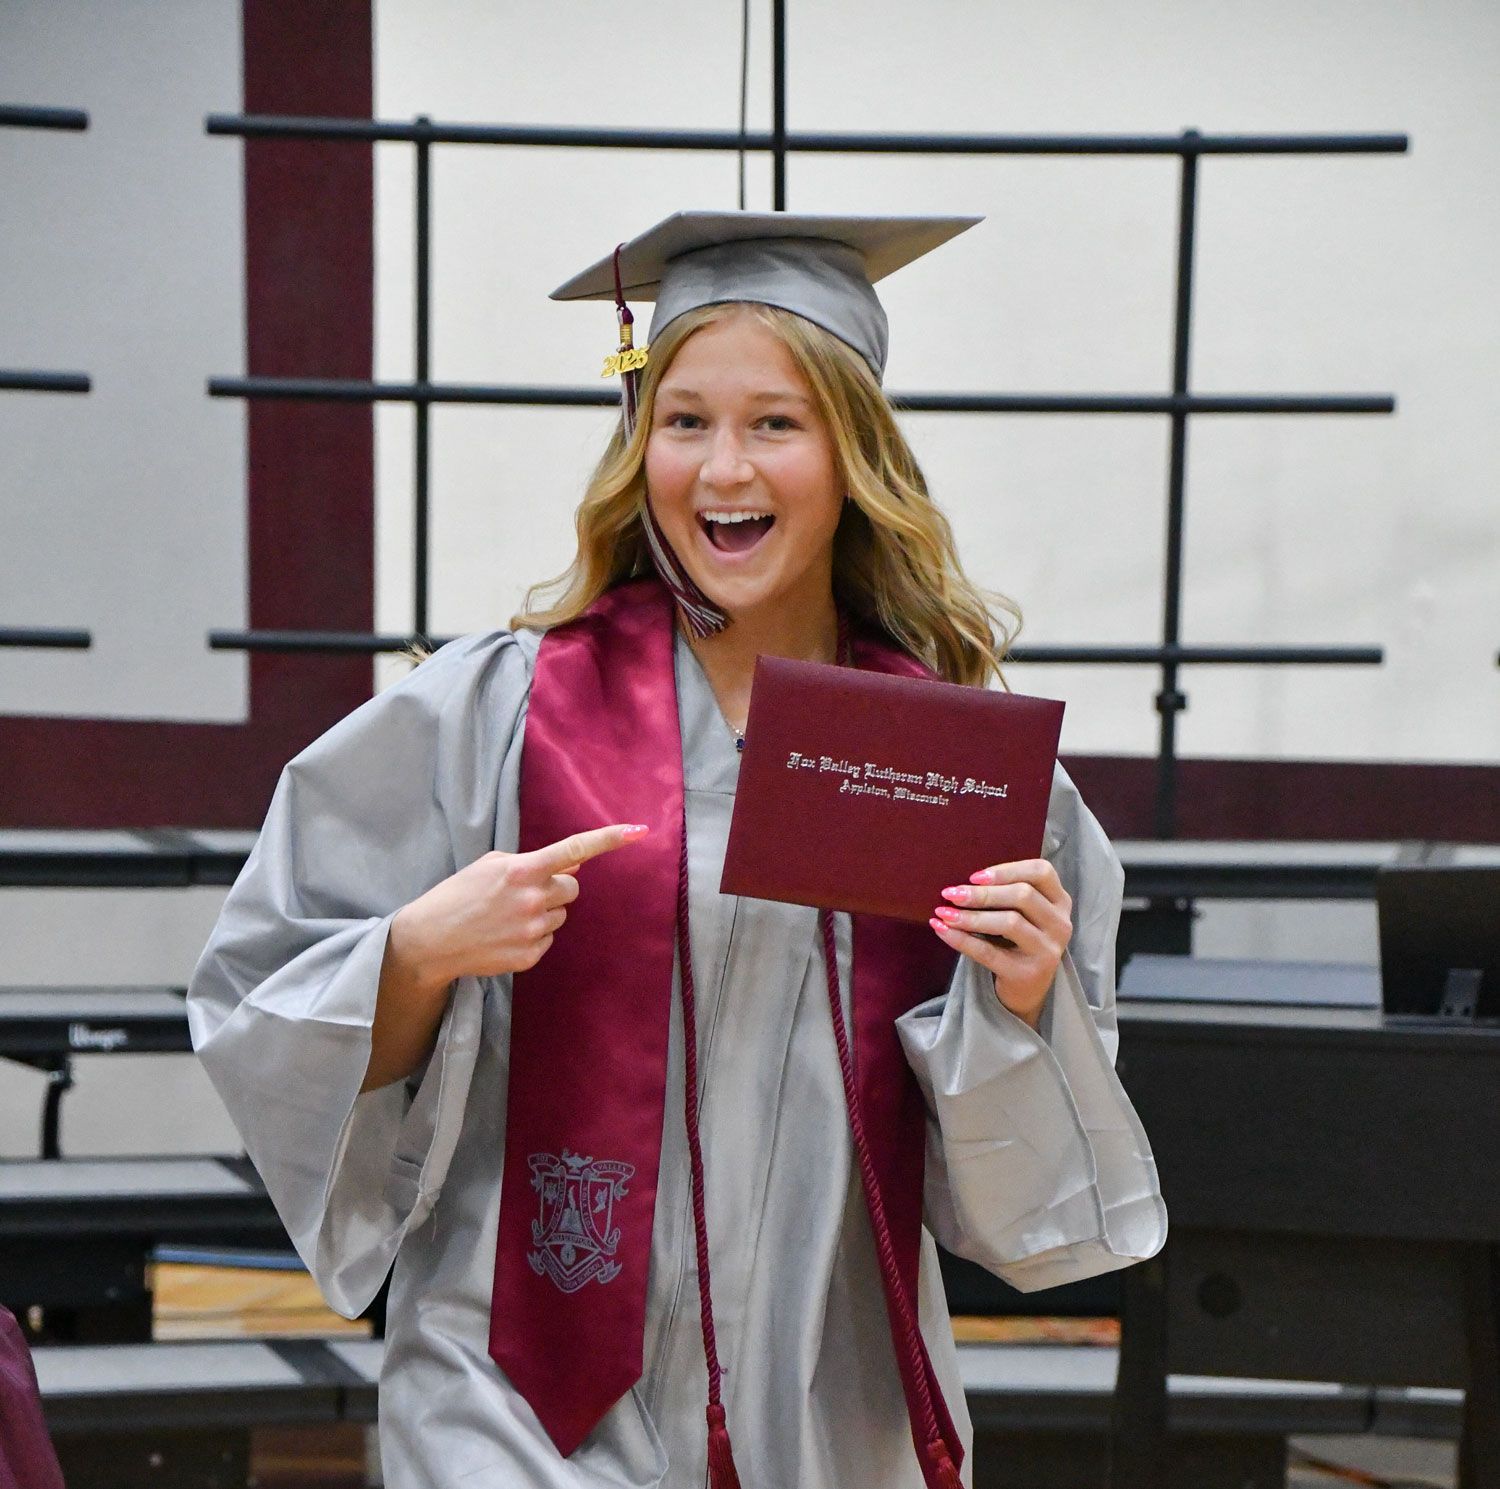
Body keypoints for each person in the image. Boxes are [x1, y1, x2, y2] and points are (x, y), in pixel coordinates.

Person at [187, 210, 1167, 1489]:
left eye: (776, 423)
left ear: (852, 451)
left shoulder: (954, 773)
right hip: (514, 1382)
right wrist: (421, 950)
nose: (722, 470)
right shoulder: (493, 715)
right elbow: (259, 1004)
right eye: (685, 420)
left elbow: (1006, 1211)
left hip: (828, 1389)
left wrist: (1021, 997)